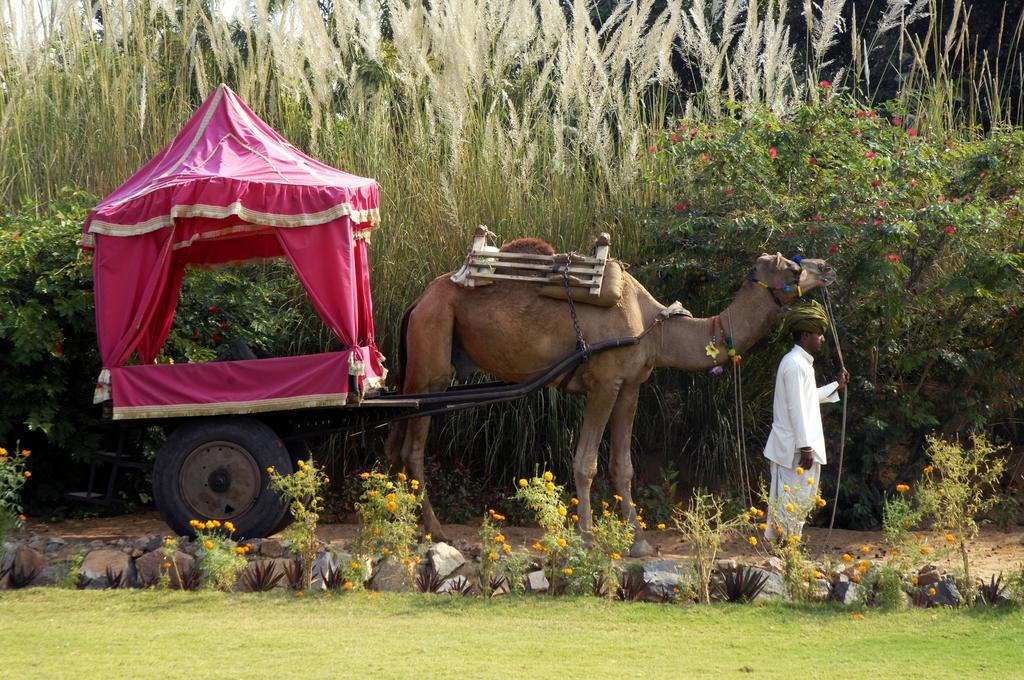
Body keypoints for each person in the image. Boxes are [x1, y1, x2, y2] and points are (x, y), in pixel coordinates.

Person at [763, 301, 848, 542]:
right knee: (789, 501)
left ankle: (789, 549)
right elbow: (796, 408)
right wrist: (805, 446)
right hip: (793, 450)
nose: (822, 338)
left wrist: (836, 386)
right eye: (818, 333)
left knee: (801, 500)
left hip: (799, 449)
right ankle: (782, 550)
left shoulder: (802, 364)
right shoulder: (793, 364)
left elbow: (807, 399)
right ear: (804, 335)